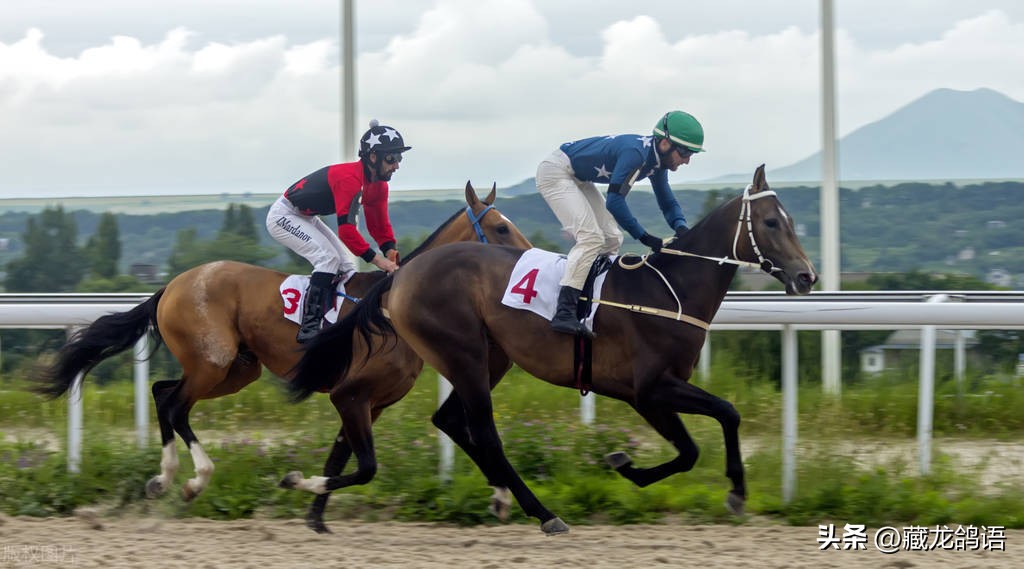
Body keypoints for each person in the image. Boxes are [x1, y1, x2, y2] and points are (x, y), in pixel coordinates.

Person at [536, 110, 704, 336]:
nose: (687, 160)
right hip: (556, 172)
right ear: (665, 144)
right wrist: (645, 237)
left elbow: (666, 200)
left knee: (613, 238)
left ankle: (589, 299)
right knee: (591, 238)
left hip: (577, 176)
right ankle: (564, 312)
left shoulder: (656, 162)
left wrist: (682, 228)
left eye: (691, 154)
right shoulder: (636, 154)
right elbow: (615, 202)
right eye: (684, 152)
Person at [266, 119, 410, 343]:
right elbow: (347, 232)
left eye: (399, 158)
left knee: (346, 267)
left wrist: (389, 248)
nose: (397, 165)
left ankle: (333, 317)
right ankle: (309, 325)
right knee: (328, 259)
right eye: (392, 158)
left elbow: (379, 223)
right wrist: (378, 261)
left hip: (306, 217)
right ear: (373, 157)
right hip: (283, 216)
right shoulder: (350, 180)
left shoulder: (379, 185)